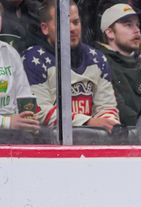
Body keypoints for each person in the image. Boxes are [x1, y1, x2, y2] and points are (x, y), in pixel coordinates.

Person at [22, 0, 119, 133]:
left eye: (76, 22)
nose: (72, 28)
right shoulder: (33, 59)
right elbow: (39, 113)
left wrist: (108, 122)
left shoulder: (97, 59)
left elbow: (107, 107)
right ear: (45, 28)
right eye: (63, 22)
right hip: (49, 145)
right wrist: (89, 122)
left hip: (92, 142)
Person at [96, 3, 141, 128]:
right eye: (128, 25)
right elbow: (120, 109)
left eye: (137, 25)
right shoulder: (100, 63)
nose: (137, 30)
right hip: (129, 137)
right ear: (110, 33)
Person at [0, 1, 40, 142]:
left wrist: (28, 120)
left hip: (12, 135)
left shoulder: (10, 53)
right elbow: (10, 122)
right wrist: (8, 122)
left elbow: (24, 97)